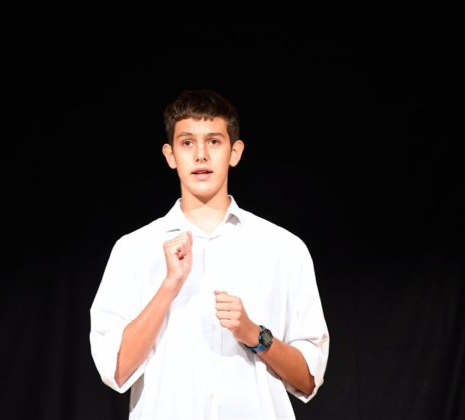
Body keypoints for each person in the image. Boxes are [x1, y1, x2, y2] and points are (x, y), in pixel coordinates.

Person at [89, 89, 329, 419]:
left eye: (214, 142)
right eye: (187, 142)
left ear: (235, 152)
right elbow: (116, 370)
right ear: (171, 155)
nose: (201, 155)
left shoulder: (283, 248)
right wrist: (169, 286)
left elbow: (308, 379)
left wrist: (253, 334)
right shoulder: (133, 250)